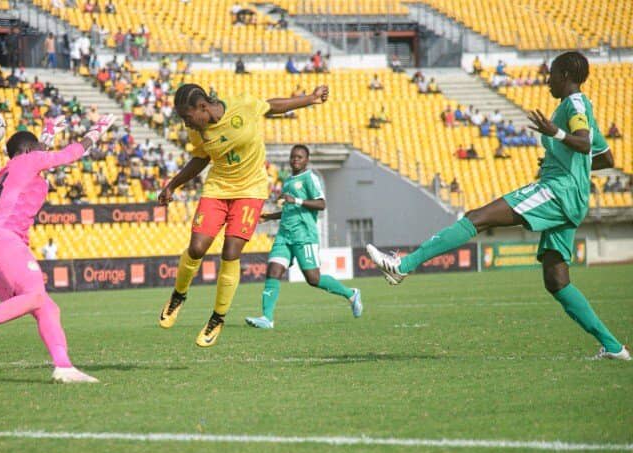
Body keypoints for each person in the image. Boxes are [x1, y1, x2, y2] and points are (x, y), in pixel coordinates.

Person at [366, 51, 629, 361]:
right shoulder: (579, 105)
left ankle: (403, 267)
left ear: (565, 75)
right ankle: (614, 347)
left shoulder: (573, 104)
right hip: (571, 196)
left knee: (478, 217)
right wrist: (561, 156)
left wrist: (555, 135)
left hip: (558, 192)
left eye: (552, 75)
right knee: (556, 280)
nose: (547, 81)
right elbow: (605, 158)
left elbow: (583, 142)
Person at [0, 114, 117, 382]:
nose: (45, 151)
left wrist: (49, 129)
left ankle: (64, 367)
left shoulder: (14, 169)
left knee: (47, 308)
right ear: (29, 151)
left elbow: (39, 151)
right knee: (36, 296)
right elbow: (71, 153)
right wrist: (97, 130)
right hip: (5, 242)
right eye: (40, 148)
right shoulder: (29, 161)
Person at [157, 82, 329, 347]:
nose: (186, 123)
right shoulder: (197, 130)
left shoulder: (242, 105)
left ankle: (218, 317)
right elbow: (201, 158)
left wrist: (310, 99)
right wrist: (173, 184)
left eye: (187, 117)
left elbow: (273, 106)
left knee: (230, 252)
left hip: (250, 191)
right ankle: (179, 295)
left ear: (202, 107)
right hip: (218, 189)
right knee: (197, 246)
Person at [245, 145, 362, 329]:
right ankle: (267, 318)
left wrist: (297, 200)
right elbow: (289, 209)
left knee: (313, 278)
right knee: (273, 271)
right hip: (284, 235)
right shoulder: (288, 181)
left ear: (307, 160)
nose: (295, 160)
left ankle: (351, 294)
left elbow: (321, 204)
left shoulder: (310, 179)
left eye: (299, 157)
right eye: (293, 157)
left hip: (304, 236)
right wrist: (268, 217)